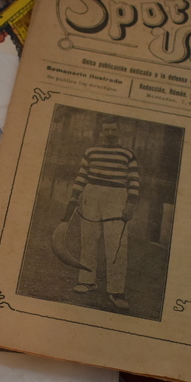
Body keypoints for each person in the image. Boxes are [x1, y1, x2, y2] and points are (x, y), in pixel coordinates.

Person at [63, 117, 139, 311]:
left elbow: (134, 180)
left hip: (117, 197)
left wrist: (131, 203)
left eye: (114, 130)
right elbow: (82, 175)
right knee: (88, 238)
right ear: (101, 132)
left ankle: (116, 291)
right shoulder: (91, 151)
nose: (110, 133)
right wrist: (74, 196)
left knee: (116, 244)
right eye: (107, 130)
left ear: (119, 132)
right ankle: (87, 281)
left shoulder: (127, 154)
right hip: (92, 193)